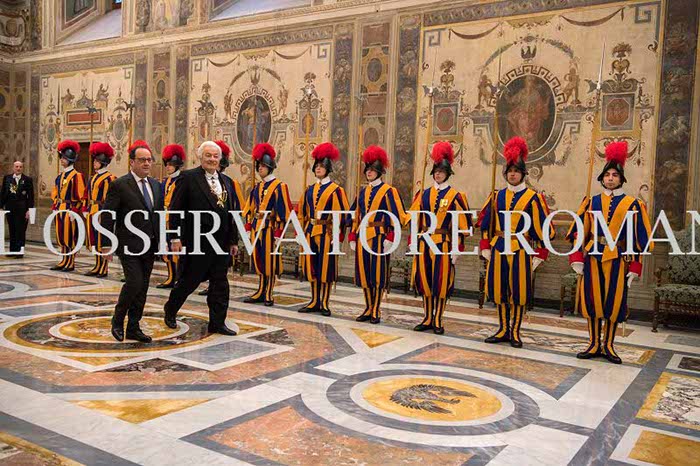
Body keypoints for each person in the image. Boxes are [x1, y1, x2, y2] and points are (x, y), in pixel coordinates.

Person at [566, 141, 652, 364]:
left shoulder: (633, 205)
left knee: (614, 304)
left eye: (615, 175)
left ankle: (609, 345)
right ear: (602, 178)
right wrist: (576, 259)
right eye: (607, 174)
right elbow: (578, 232)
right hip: (593, 257)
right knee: (592, 301)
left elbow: (638, 240)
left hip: (618, 259)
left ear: (621, 179)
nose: (611, 178)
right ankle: (594, 343)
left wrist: (635, 267)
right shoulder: (591, 202)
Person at [478, 137, 553, 348]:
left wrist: (541, 254)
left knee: (519, 292)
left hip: (522, 249)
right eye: (509, 171)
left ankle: (516, 331)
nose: (512, 174)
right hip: (499, 247)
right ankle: (503, 329)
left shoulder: (533, 198)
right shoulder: (496, 196)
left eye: (516, 171)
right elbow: (486, 223)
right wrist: (485, 246)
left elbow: (543, 228)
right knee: (500, 290)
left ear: (523, 174)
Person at [163, 141, 240, 335]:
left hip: (221, 243)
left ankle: (217, 322)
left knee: (220, 284)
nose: (212, 159)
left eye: (215, 156)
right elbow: (175, 209)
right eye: (208, 155)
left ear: (220, 158)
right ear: (200, 157)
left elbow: (232, 213)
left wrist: (233, 240)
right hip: (197, 241)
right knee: (189, 281)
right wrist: (175, 238)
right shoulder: (188, 178)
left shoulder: (227, 181)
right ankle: (171, 309)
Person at [102, 140, 163, 343]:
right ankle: (118, 319)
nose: (147, 163)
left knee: (143, 287)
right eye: (142, 160)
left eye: (149, 160)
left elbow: (159, 215)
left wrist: (163, 241)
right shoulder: (120, 185)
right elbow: (108, 215)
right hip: (128, 244)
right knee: (134, 282)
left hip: (150, 244)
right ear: (132, 162)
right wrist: (106, 243)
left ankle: (134, 327)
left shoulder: (156, 185)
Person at [409, 142, 472, 335]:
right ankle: (427, 317)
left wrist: (457, 248)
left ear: (448, 173)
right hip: (424, 243)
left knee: (441, 282)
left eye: (441, 171)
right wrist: (413, 241)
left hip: (444, 244)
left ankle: (438, 319)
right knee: (425, 281)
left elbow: (462, 225)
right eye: (436, 171)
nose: (438, 174)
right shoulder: (423, 194)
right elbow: (414, 219)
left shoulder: (456, 196)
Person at [348, 146, 408, 324]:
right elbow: (355, 215)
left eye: (372, 170)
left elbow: (397, 215)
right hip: (362, 236)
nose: (369, 172)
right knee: (365, 273)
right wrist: (352, 236)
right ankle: (368, 307)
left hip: (379, 237)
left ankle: (376, 308)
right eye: (367, 169)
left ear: (379, 172)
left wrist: (391, 237)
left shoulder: (389, 191)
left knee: (378, 273)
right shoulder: (362, 192)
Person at [298, 142, 350, 316]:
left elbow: (342, 215)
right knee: (312, 267)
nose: (318, 168)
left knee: (325, 269)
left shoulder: (336, 190)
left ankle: (325, 303)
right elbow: (302, 213)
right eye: (316, 166)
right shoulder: (309, 190)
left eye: (321, 166)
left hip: (327, 234)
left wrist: (338, 236)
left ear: (328, 169)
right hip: (310, 231)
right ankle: (314, 301)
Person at [242, 142, 293, 306]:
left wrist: (279, 233)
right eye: (259, 165)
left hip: (270, 229)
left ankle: (269, 292)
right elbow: (249, 209)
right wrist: (248, 227)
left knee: (270, 261)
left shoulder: (280, 187)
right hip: (257, 228)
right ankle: (260, 290)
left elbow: (284, 213)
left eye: (263, 166)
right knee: (259, 260)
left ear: (270, 167)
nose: (260, 168)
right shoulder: (257, 187)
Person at [198, 139, 244, 296]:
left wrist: (233, 238)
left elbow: (234, 211)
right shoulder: (199, 180)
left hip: (222, 234)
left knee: (220, 276)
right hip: (203, 233)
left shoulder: (230, 183)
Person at [50, 140, 86, 272]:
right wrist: (55, 206)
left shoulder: (77, 176)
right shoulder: (60, 175)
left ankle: (71, 261)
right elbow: (55, 192)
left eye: (64, 158)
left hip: (70, 209)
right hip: (60, 208)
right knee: (61, 235)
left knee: (70, 236)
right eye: (61, 157)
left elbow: (82, 196)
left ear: (70, 160)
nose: (61, 160)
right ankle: (64, 259)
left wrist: (75, 211)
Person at [84, 142, 117, 277]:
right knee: (94, 239)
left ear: (103, 163)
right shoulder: (93, 177)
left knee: (102, 239)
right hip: (92, 209)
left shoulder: (109, 178)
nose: (94, 163)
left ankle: (104, 266)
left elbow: (108, 199)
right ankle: (97, 265)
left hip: (101, 209)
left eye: (97, 161)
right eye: (94, 161)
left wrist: (102, 214)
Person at [157, 144, 186, 289]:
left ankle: (180, 277)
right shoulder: (166, 181)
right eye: (167, 164)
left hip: (178, 218)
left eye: (171, 165)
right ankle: (170, 276)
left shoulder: (182, 181)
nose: (168, 167)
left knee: (178, 250)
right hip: (165, 217)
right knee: (166, 247)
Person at [0, 161, 34, 258]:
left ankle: (19, 251)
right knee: (12, 229)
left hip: (22, 209)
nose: (18, 168)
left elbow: (31, 196)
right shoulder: (7, 178)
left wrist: (29, 210)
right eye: (16, 166)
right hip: (10, 208)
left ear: (22, 168)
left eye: (20, 167)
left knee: (20, 230)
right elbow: (3, 193)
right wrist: (1, 206)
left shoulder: (27, 180)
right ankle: (12, 251)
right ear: (13, 168)